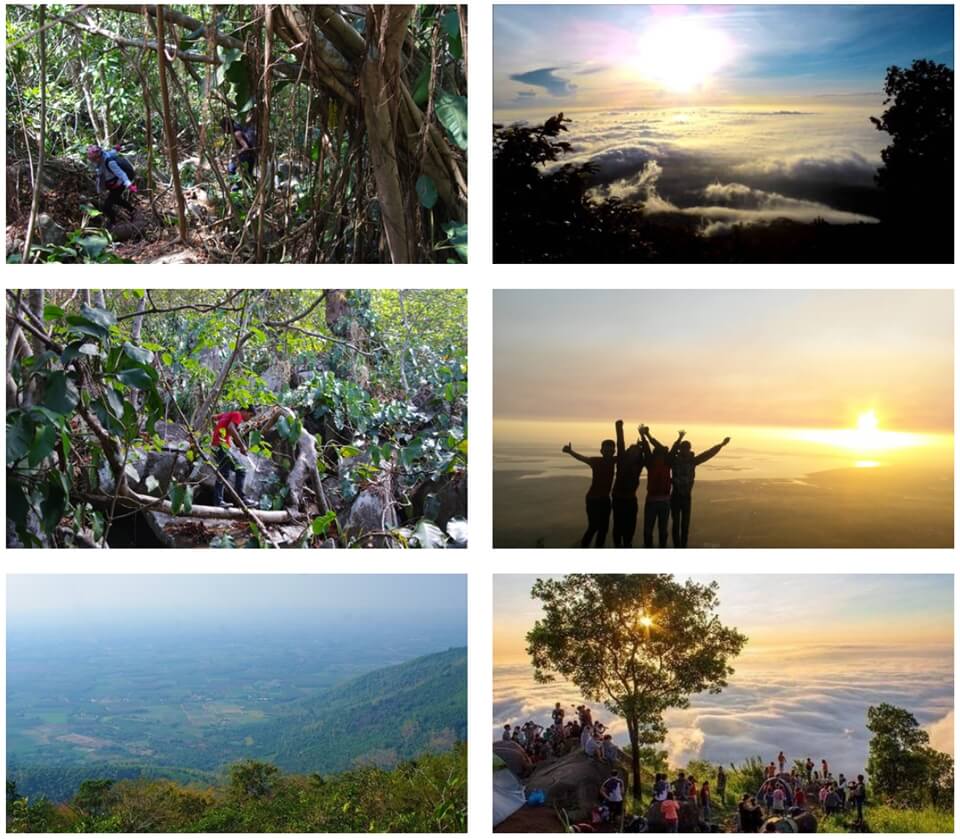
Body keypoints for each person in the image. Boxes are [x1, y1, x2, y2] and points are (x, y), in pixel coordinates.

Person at [669, 431, 730, 547]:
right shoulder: (675, 460)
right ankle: (677, 547)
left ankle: (683, 547)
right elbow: (672, 452)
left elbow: (708, 453)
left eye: (686, 449)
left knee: (684, 525)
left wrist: (721, 445)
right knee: (676, 524)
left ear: (689, 449)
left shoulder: (692, 461)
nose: (685, 451)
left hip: (686, 497)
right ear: (680, 449)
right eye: (683, 449)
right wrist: (679, 438)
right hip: (676, 496)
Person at [563, 439, 616, 547]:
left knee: (603, 529)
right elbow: (582, 458)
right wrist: (570, 452)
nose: (608, 452)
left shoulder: (614, 460)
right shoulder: (596, 461)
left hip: (605, 499)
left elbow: (627, 455)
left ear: (613, 452)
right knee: (594, 526)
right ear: (601, 451)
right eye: (606, 450)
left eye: (610, 450)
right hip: (593, 499)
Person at [212, 406, 254, 507]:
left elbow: (213, 417)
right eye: (250, 415)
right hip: (222, 446)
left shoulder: (228, 413)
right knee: (240, 470)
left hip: (217, 445)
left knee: (224, 472)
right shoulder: (237, 414)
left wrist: (216, 432)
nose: (249, 418)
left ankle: (220, 501)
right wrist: (242, 446)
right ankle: (240, 499)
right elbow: (231, 428)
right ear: (244, 411)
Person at [640, 426, 675, 548]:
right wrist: (645, 436)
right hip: (655, 501)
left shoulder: (666, 463)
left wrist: (647, 436)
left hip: (662, 502)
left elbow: (651, 449)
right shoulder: (652, 463)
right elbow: (646, 449)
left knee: (661, 530)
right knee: (650, 530)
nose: (660, 456)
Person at [611, 419, 644, 547]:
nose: (634, 451)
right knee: (618, 524)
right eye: (632, 449)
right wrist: (619, 427)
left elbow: (645, 452)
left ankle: (627, 544)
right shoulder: (622, 460)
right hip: (619, 498)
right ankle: (619, 546)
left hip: (630, 499)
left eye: (636, 451)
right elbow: (620, 443)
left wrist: (643, 437)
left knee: (630, 525)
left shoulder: (639, 464)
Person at [87, 144, 138, 225]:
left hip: (119, 183)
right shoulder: (103, 156)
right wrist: (116, 148)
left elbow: (121, 174)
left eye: (93, 159)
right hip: (113, 183)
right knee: (116, 199)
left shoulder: (110, 162)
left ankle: (113, 223)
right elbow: (112, 152)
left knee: (107, 206)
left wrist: (129, 185)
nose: (92, 161)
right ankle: (132, 210)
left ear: (98, 157)